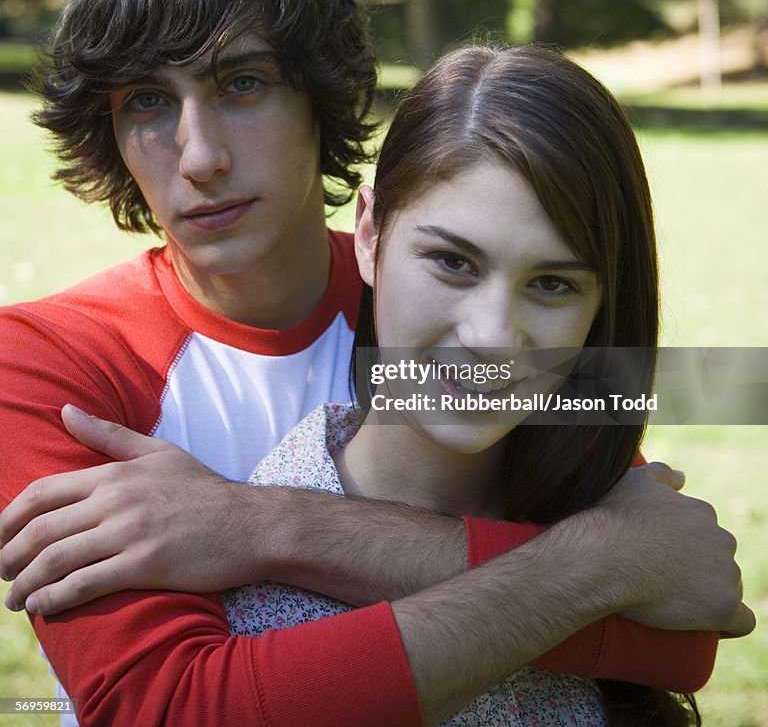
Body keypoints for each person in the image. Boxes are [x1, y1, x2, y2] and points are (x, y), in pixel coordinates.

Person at [0, 0, 753, 727]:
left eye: (241, 84)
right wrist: (594, 567)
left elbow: (678, 627)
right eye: (146, 101)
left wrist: (261, 524)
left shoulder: (441, 291)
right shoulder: (47, 359)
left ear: (319, 101)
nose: (202, 156)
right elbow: (165, 708)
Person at [218, 41, 716, 725]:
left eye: (551, 284)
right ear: (369, 234)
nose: (493, 337)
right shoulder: (256, 605)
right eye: (453, 262)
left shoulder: (623, 508)